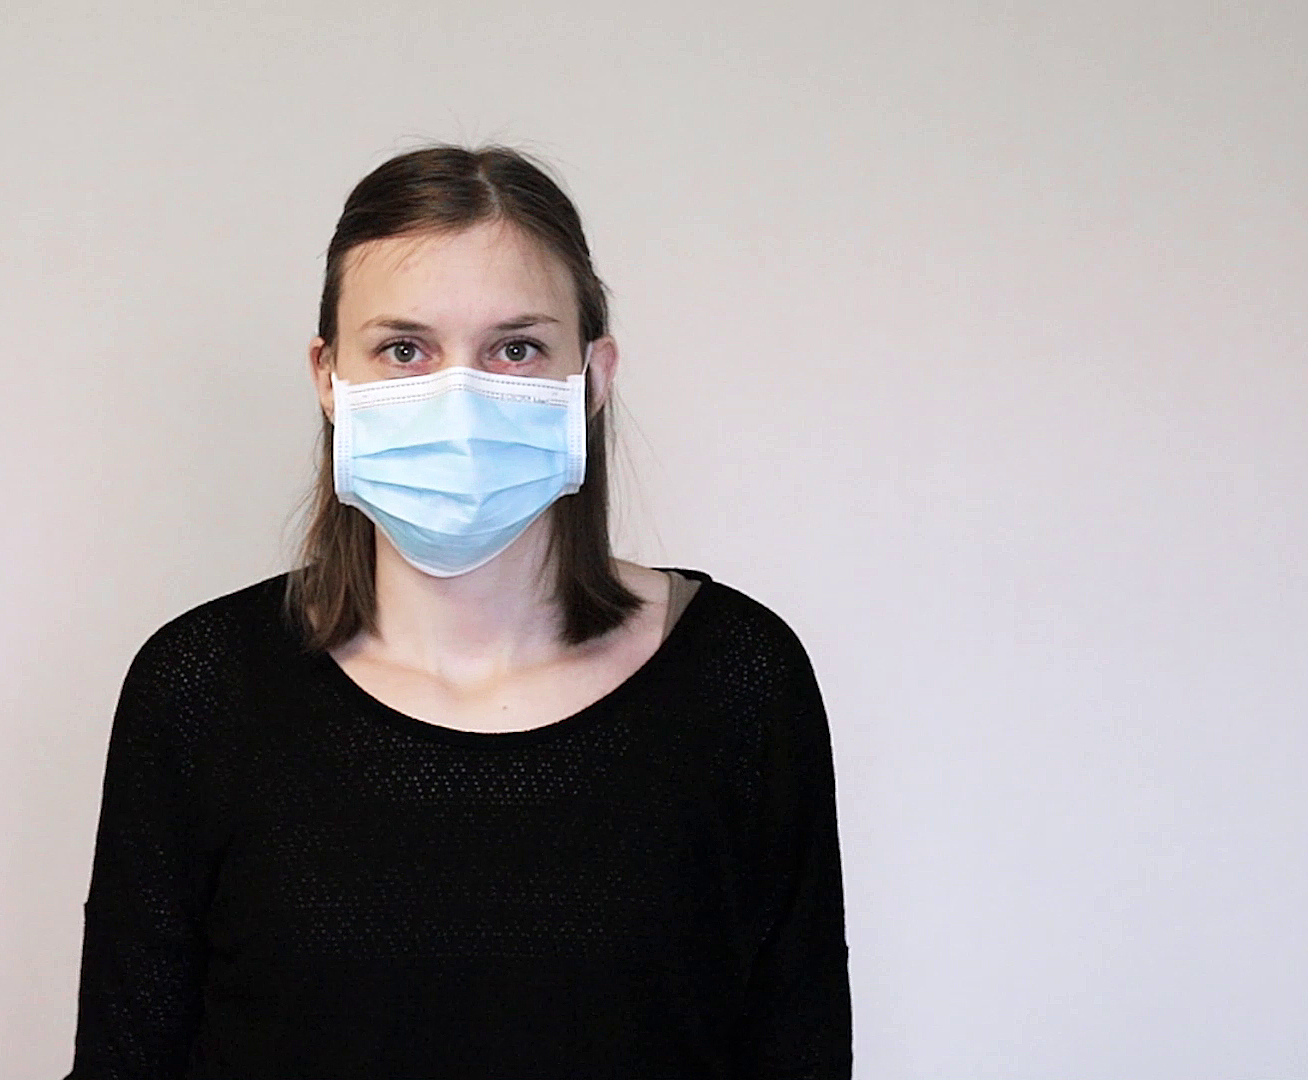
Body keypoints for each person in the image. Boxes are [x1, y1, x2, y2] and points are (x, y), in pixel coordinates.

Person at [65, 144, 851, 1079]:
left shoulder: (738, 678)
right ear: (328, 378)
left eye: (515, 349)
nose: (460, 399)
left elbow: (799, 1053)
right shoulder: (202, 688)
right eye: (405, 350)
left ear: (593, 377)